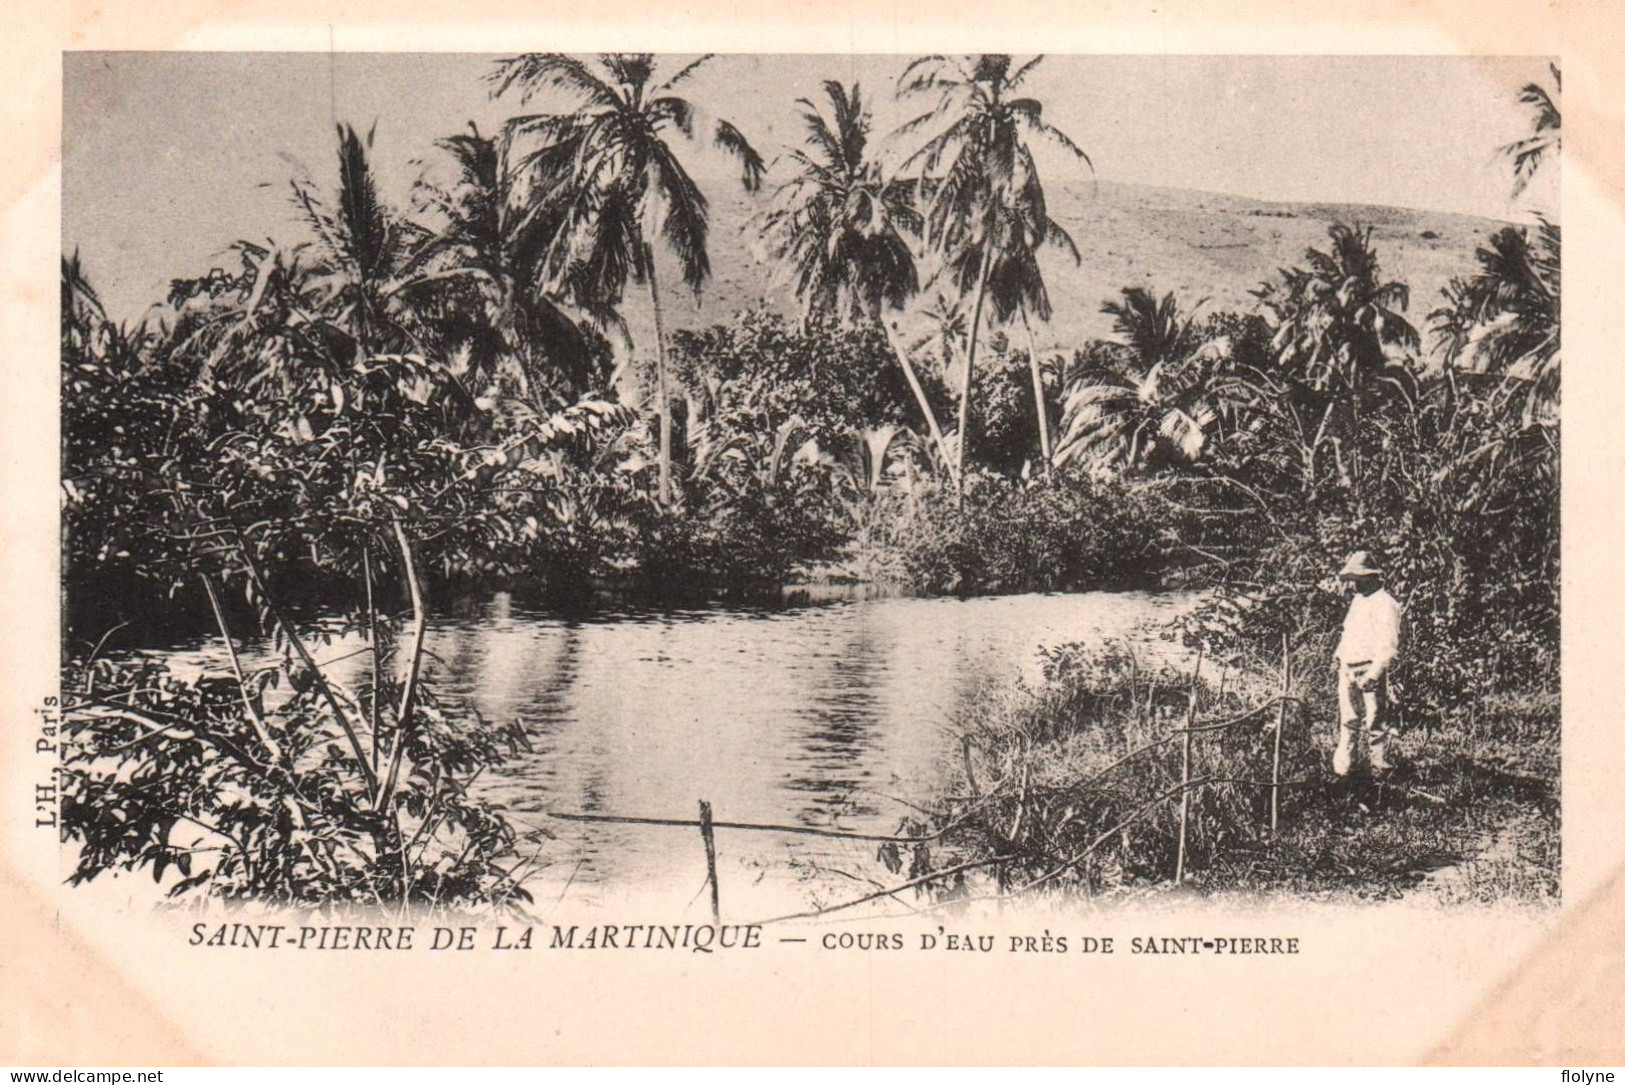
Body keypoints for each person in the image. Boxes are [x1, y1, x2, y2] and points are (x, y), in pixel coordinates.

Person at [1332, 551, 1403, 776]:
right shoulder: (1358, 602)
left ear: (1372, 577)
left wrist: (1374, 674)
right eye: (1353, 579)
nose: (1354, 584)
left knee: (1375, 725)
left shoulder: (1386, 604)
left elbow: (1389, 645)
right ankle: (1344, 773)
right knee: (1348, 721)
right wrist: (1339, 657)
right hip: (1348, 668)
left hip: (1369, 669)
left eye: (1359, 579)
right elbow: (1348, 634)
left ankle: (1379, 776)